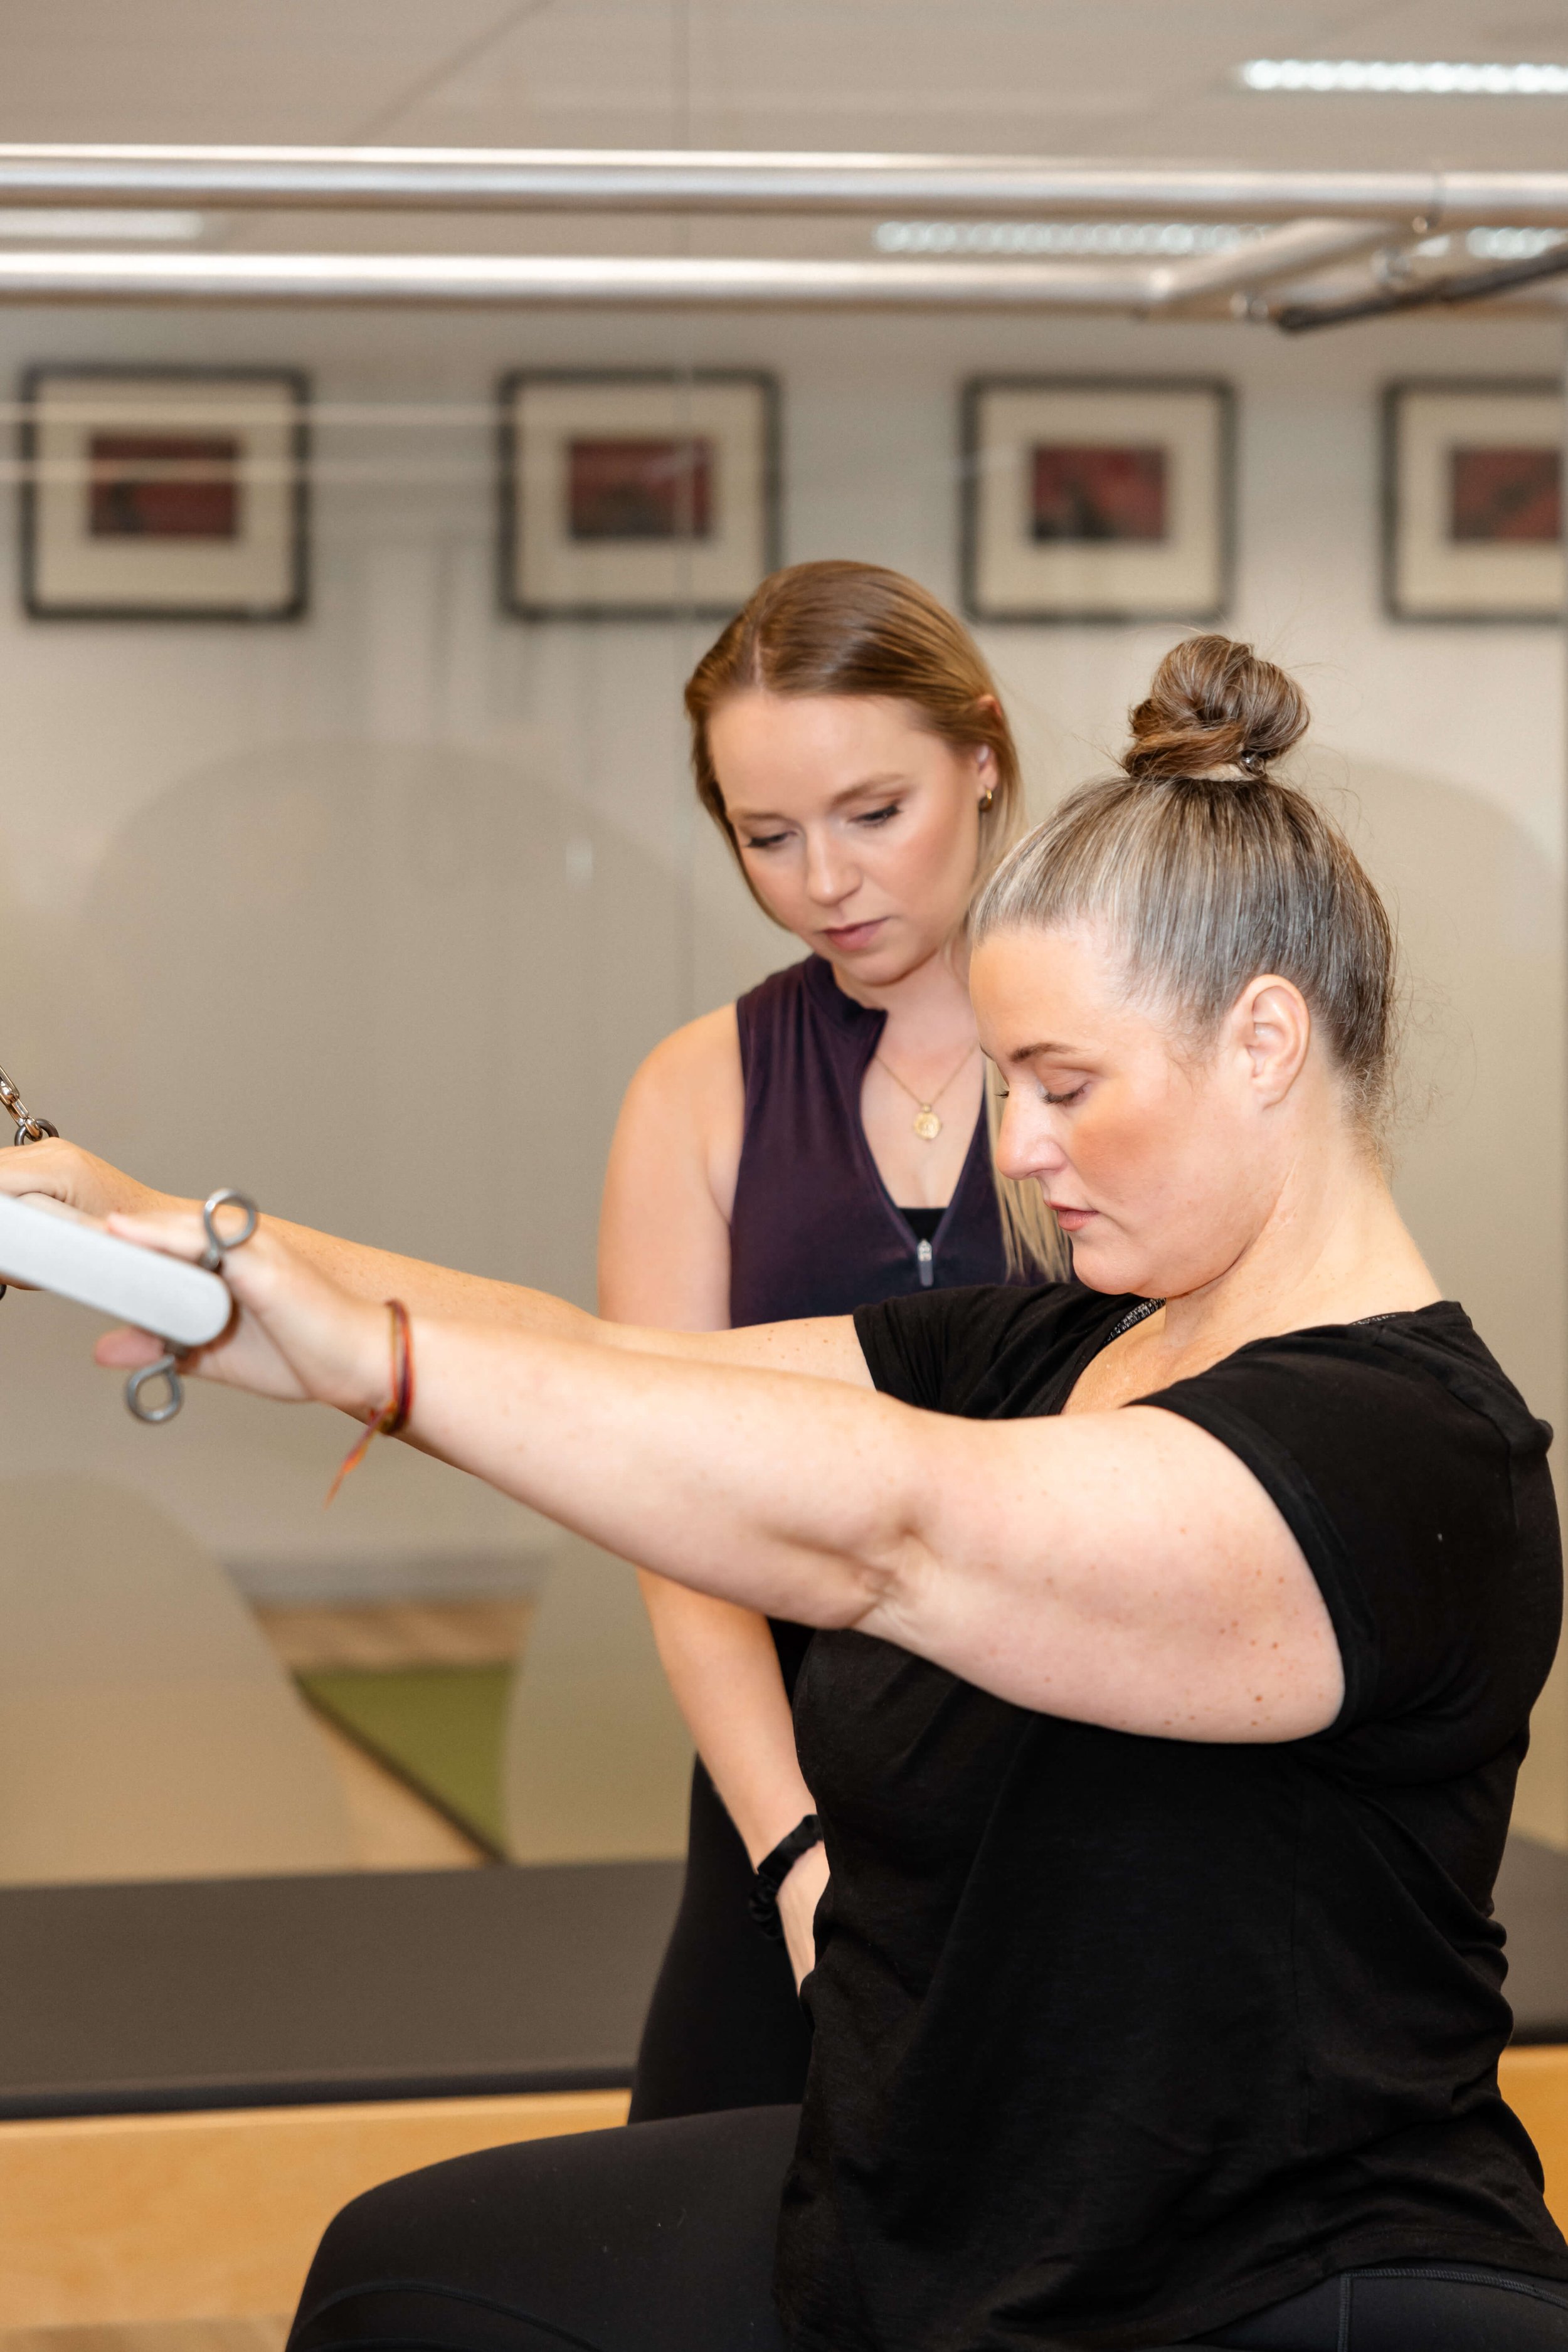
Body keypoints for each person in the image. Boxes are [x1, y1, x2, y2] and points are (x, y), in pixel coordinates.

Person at [23, 635, 1568, 2348]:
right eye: (1001, 1084)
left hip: (1241, 2274)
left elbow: (892, 1528)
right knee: (405, 2275)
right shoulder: (1063, 1337)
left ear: (1264, 1038)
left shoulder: (1413, 1453)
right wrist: (178, 1238)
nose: (1020, 1148)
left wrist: (371, 1363)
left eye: (1061, 1084)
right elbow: (631, 1363)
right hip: (937, 2199)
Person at [601, 561, 1054, 2118]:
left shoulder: (1120, 1055)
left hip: (1090, 1782)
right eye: (766, 837)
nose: (823, 882)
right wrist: (791, 1848)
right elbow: (666, 1507)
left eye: (873, 813)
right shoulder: (696, 1088)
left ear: (980, 757)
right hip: (782, 1784)